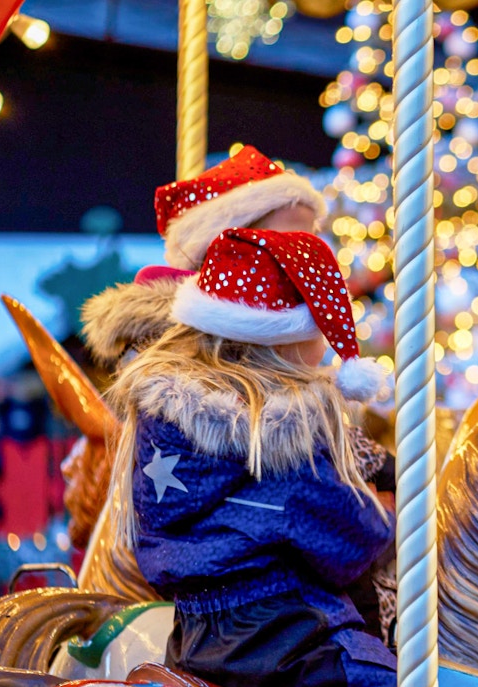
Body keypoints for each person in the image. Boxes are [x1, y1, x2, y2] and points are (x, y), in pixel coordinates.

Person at [106, 227, 394, 686]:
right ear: (285, 341)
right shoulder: (280, 435)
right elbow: (350, 543)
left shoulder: (157, 425)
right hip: (291, 643)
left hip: (194, 642)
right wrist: (385, 519)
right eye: (318, 330)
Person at [82, 145, 327, 366]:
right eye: (283, 241)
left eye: (311, 239)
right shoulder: (180, 342)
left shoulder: (299, 319)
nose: (303, 255)